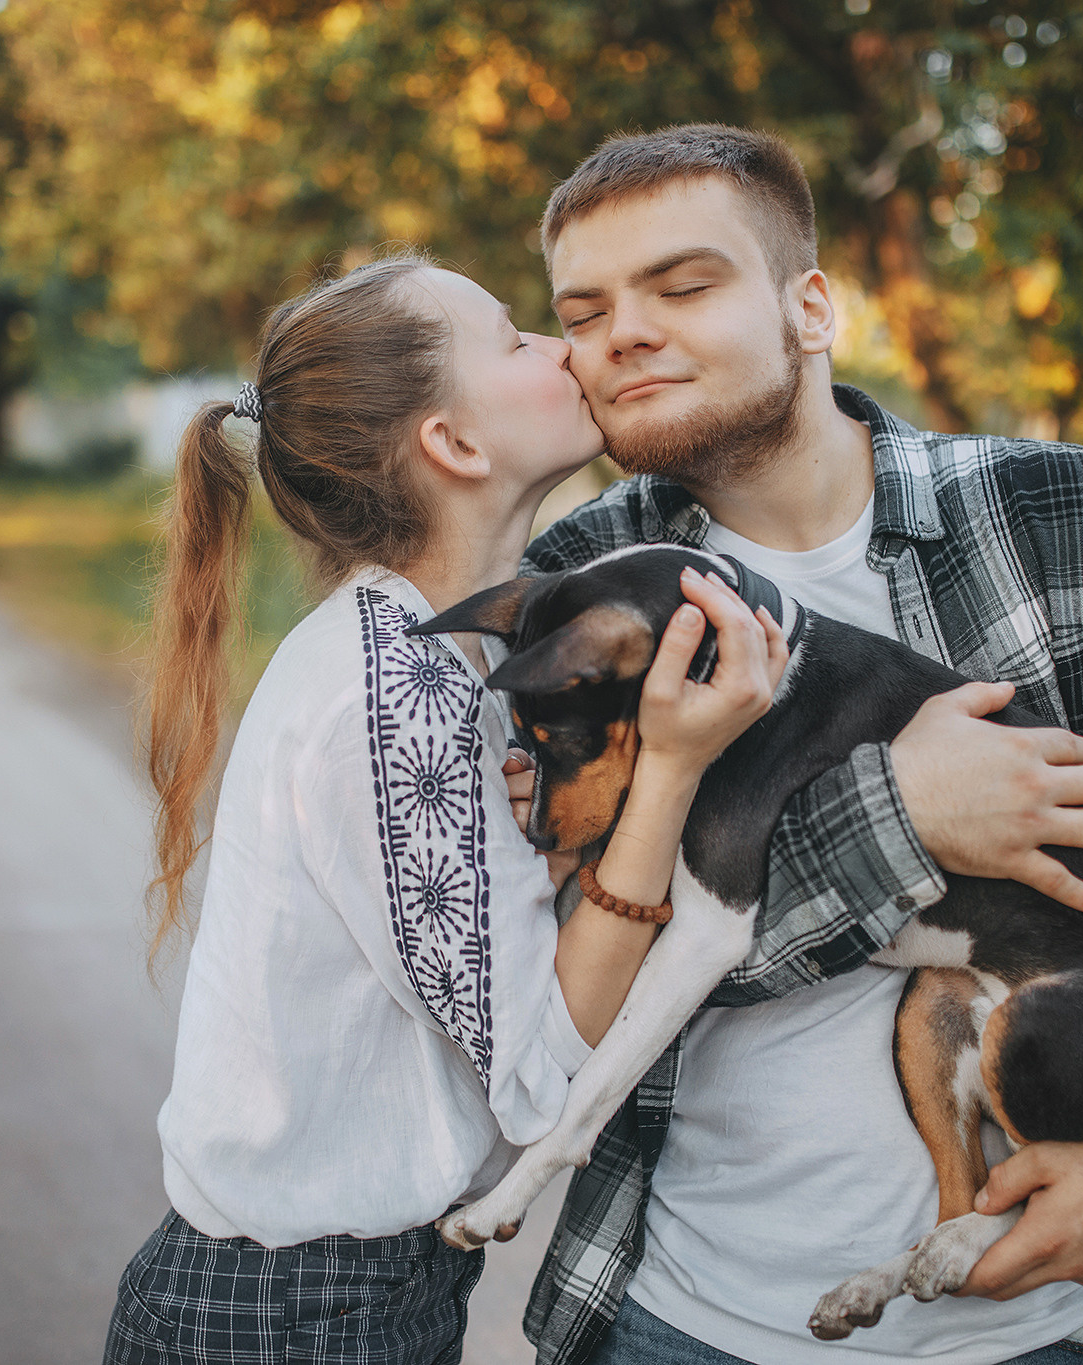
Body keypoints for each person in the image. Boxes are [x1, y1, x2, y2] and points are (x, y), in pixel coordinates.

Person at [518, 126, 1083, 1365]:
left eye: (684, 285)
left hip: (1059, 1327)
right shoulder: (569, 602)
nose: (624, 334)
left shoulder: (1055, 518)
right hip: (681, 1316)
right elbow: (563, 971)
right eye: (584, 310)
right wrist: (901, 818)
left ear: (807, 306)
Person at [101, 252, 791, 1365]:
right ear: (455, 445)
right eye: (517, 340)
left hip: (335, 1297)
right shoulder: (399, 689)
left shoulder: (429, 651)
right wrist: (668, 773)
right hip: (298, 1320)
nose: (568, 348)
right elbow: (534, 1074)